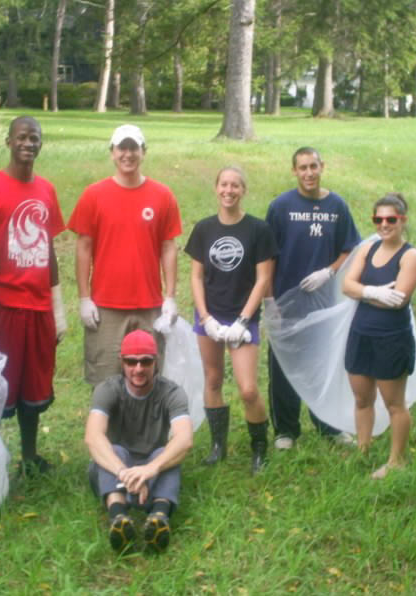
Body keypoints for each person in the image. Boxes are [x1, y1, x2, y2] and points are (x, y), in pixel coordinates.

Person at [0, 116, 66, 476]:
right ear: (8, 142)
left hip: (38, 306)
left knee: (33, 384)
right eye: (22, 137)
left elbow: (50, 248)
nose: (29, 143)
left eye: (35, 138)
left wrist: (58, 306)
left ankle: (29, 454)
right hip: (2, 304)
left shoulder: (46, 190)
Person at [68, 124, 182, 386]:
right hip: (106, 307)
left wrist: (170, 297)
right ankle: (106, 428)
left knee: (148, 381)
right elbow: (83, 247)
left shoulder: (162, 195)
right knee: (106, 382)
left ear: (144, 152)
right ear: (112, 153)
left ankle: (145, 428)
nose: (127, 154)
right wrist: (84, 298)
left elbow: (168, 246)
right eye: (122, 148)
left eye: (134, 148)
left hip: (150, 307)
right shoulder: (93, 195)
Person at [265, 147, 361, 448]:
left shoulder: (337, 206)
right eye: (303, 167)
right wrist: (269, 301)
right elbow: (266, 257)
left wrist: (330, 272)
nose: (309, 173)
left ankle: (328, 424)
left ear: (323, 167)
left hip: (323, 303)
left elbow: (350, 248)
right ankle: (286, 430)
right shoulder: (280, 206)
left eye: (313, 166)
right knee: (283, 367)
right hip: (285, 302)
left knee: (324, 364)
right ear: (294, 171)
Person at [185, 166, 277, 474]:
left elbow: (263, 279)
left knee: (248, 389)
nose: (229, 190)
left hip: (243, 318)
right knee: (212, 380)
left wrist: (243, 319)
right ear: (215, 188)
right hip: (210, 317)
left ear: (243, 191)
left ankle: (259, 450)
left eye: (235, 185)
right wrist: (206, 317)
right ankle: (217, 446)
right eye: (224, 184)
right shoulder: (204, 229)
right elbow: (196, 276)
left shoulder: (258, 229)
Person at [84, 330, 193, 553]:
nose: (138, 369)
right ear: (121, 362)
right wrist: (125, 472)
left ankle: (159, 518)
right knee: (112, 450)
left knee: (166, 453)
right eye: (131, 362)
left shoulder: (172, 392)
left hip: (152, 465)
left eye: (146, 361)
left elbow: (184, 439)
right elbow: (93, 437)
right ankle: (119, 518)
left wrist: (150, 469)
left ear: (156, 362)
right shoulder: (107, 389)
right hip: (116, 467)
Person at [342, 193, 416, 479]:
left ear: (403, 220)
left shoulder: (410, 256)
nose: (384, 224)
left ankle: (396, 460)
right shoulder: (368, 249)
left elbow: (398, 299)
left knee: (394, 403)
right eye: (379, 219)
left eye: (391, 219)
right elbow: (346, 285)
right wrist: (372, 292)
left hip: (391, 337)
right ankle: (363, 449)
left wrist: (361, 292)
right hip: (361, 332)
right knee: (362, 398)